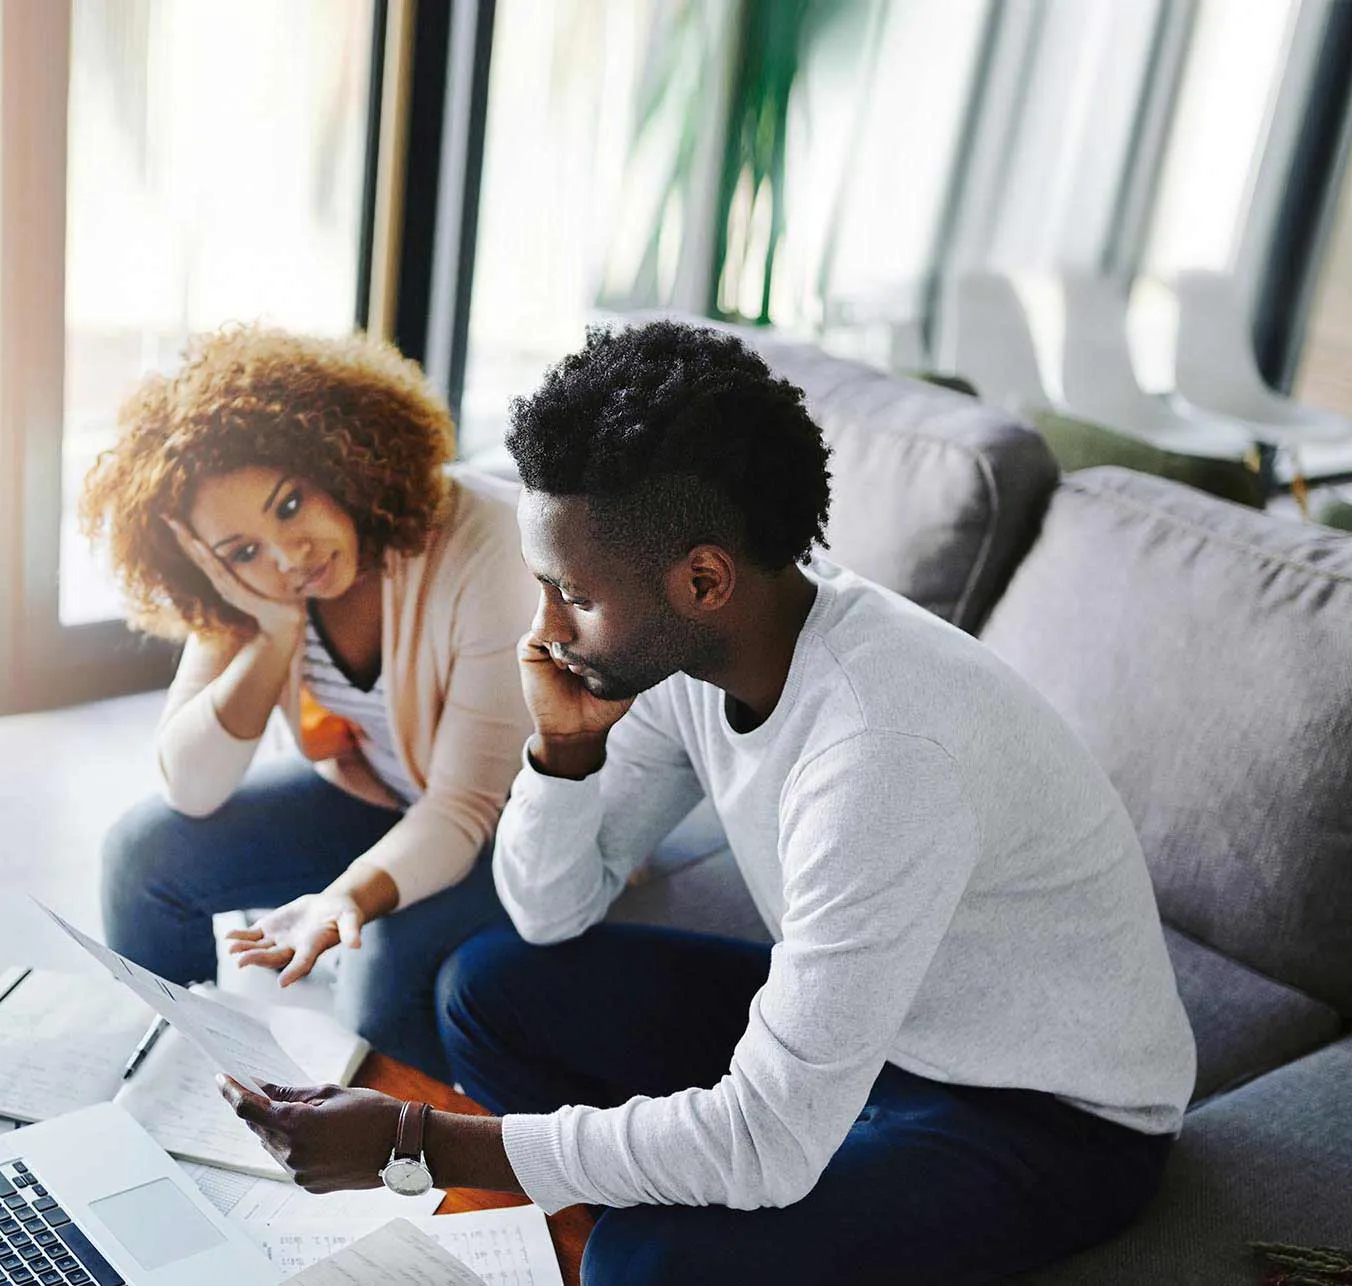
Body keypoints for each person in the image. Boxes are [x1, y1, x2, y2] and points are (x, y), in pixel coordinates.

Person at [214, 321, 1198, 1283]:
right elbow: (550, 910)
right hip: (881, 1029)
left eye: (568, 593)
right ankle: (711, 1207)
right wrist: (562, 749)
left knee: (642, 1263)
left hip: (1042, 1113)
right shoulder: (697, 648)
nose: (543, 626)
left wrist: (417, 1141)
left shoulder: (879, 754)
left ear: (701, 578)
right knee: (489, 985)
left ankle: (694, 1223)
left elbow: (769, 1137)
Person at [82, 324, 536, 1082]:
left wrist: (340, 900)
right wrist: (272, 633)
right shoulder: (258, 595)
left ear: (341, 457)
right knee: (143, 855)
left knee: (378, 965)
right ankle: (175, 1100)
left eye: (290, 504)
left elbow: (464, 811)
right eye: (242, 551)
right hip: (391, 800)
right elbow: (191, 786)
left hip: (521, 833)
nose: (288, 557)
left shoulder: (484, 545)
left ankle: (399, 1184)